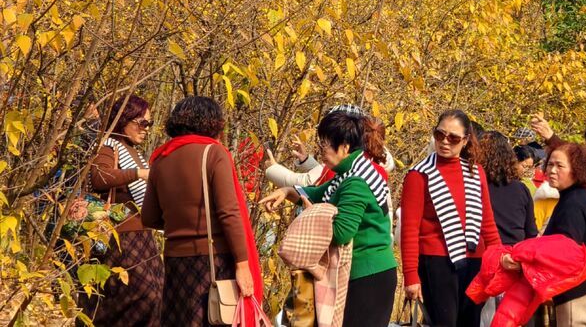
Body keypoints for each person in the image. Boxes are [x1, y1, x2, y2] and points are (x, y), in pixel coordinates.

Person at [261, 109, 397, 327]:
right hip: (362, 273)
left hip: (368, 276)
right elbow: (315, 194)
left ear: (344, 147)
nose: (321, 151)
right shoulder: (347, 172)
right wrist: (287, 191)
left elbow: (343, 232)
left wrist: (314, 215)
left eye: (324, 145)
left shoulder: (356, 180)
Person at [142, 96, 262, 327]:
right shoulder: (213, 153)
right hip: (212, 260)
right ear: (213, 123)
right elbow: (229, 213)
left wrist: (180, 225)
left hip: (175, 261)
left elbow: (149, 217)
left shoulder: (160, 158)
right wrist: (242, 264)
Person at [400, 110, 501, 327]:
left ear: (465, 141)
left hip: (475, 261)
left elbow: (488, 223)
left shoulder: (476, 172)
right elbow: (410, 230)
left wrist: (499, 258)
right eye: (439, 135)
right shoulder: (419, 175)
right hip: (437, 262)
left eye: (453, 138)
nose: (445, 142)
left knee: (471, 322)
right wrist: (411, 276)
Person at [80, 94, 162, 327]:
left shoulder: (133, 151)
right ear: (124, 119)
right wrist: (138, 173)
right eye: (142, 122)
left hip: (142, 236)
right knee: (140, 296)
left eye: (150, 123)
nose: (146, 129)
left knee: (155, 296)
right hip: (121, 237)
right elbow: (99, 177)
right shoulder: (109, 145)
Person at [538, 143, 586, 325]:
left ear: (576, 170)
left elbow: (566, 253)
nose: (552, 170)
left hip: (583, 294)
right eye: (550, 164)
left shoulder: (574, 203)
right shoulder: (575, 197)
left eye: (560, 166)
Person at [480, 133, 538, 246]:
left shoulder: (476, 186)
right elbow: (531, 231)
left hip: (485, 252)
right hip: (514, 253)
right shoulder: (521, 188)